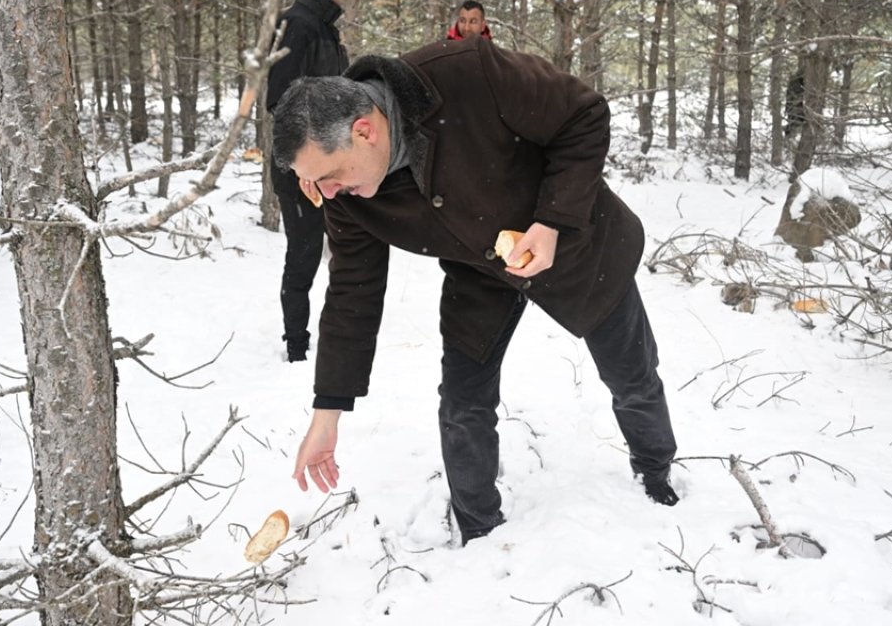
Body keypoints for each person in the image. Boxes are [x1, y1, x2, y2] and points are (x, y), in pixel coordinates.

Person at [272, 36, 679, 545]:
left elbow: (583, 115)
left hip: (577, 245)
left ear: (365, 130)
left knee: (631, 375)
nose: (325, 194)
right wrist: (326, 413)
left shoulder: (467, 73)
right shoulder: (347, 196)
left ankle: (656, 471)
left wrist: (553, 222)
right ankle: (479, 529)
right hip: (478, 272)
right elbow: (352, 293)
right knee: (463, 404)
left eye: (328, 177)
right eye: (314, 183)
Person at [266, 0, 350, 362]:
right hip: (300, 169)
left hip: (336, 167)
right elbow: (280, 101)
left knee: (349, 251)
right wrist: (305, 163)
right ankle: (296, 345)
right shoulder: (295, 24)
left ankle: (343, 331)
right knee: (303, 254)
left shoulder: (326, 27)